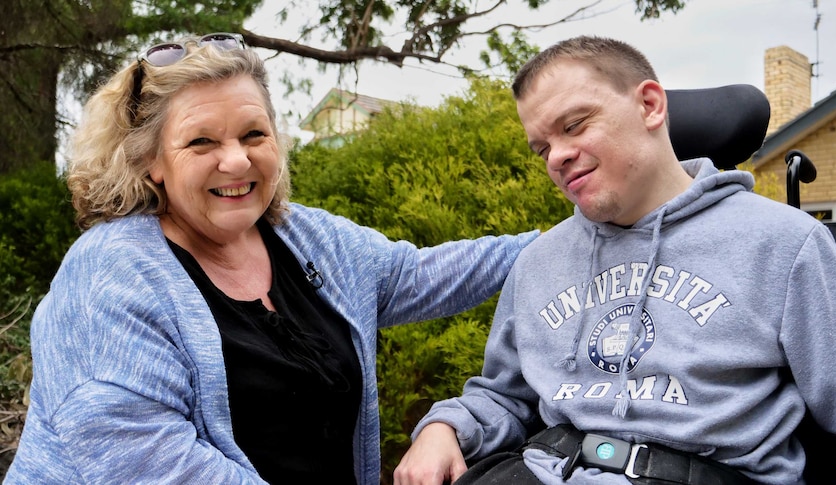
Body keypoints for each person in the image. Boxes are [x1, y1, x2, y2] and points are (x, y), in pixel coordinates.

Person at [3, 33, 538, 485]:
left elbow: (424, 274)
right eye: (201, 142)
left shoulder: (304, 236)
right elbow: (153, 463)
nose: (236, 160)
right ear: (150, 162)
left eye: (253, 134)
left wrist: (578, 234)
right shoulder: (110, 276)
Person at [395, 36, 836, 485]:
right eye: (542, 148)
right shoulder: (538, 263)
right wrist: (446, 427)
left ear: (650, 106)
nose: (556, 156)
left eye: (574, 125)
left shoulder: (783, 244)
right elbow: (504, 396)